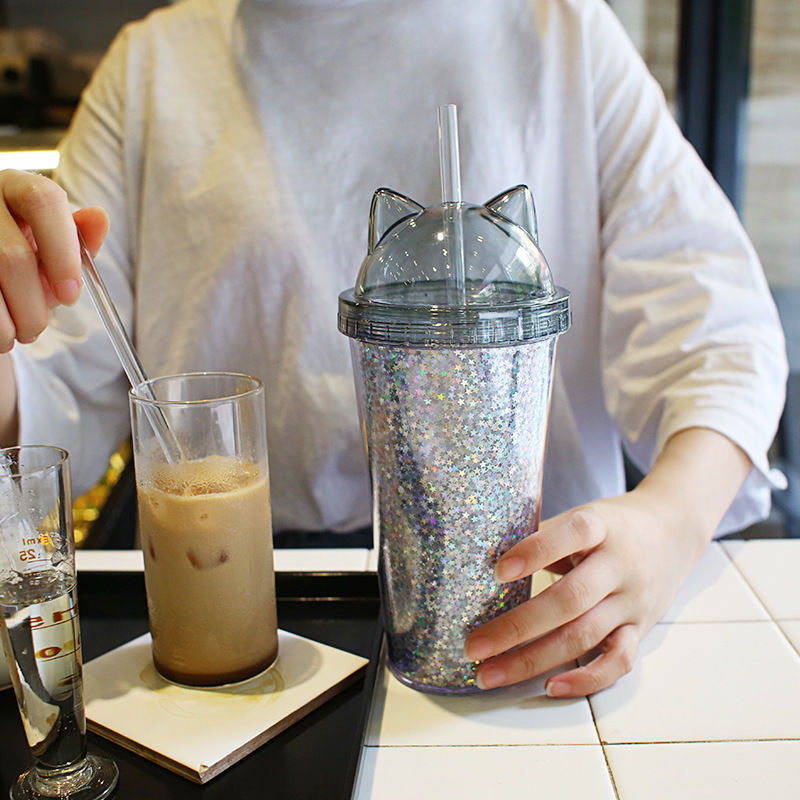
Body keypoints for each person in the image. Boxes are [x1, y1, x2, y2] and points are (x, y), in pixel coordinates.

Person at [0, 0, 787, 698]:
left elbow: (719, 339)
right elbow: (50, 395)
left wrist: (670, 522)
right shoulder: (152, 66)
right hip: (232, 597)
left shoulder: (565, 32)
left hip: (526, 604)